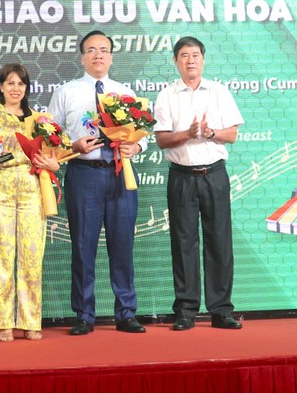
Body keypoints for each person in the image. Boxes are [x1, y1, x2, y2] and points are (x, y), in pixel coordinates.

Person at [47, 30, 149, 335]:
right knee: (83, 247)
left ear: (112, 56)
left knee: (123, 246)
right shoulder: (66, 92)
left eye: (103, 50)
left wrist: (137, 147)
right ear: (82, 57)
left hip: (119, 173)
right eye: (91, 50)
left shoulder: (125, 92)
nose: (98, 55)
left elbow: (144, 135)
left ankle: (126, 312)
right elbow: (49, 137)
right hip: (83, 175)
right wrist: (73, 145)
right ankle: (84, 314)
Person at [153, 36, 244, 331]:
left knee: (219, 241)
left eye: (195, 55)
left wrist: (211, 132)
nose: (190, 60)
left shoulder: (219, 91)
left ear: (203, 59)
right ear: (176, 61)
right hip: (181, 176)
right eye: (183, 55)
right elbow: (162, 139)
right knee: (183, 244)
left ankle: (221, 310)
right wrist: (188, 133)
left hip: (215, 175)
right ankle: (186, 310)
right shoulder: (167, 95)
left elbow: (232, 134)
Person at [0, 64, 59, 342]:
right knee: (1, 255)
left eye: (20, 83)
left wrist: (53, 162)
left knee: (33, 255)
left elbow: (59, 152)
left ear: (26, 88)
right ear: (0, 87)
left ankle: (31, 320)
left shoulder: (41, 119)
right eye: (9, 83)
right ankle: (2, 320)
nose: (15, 88)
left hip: (33, 188)